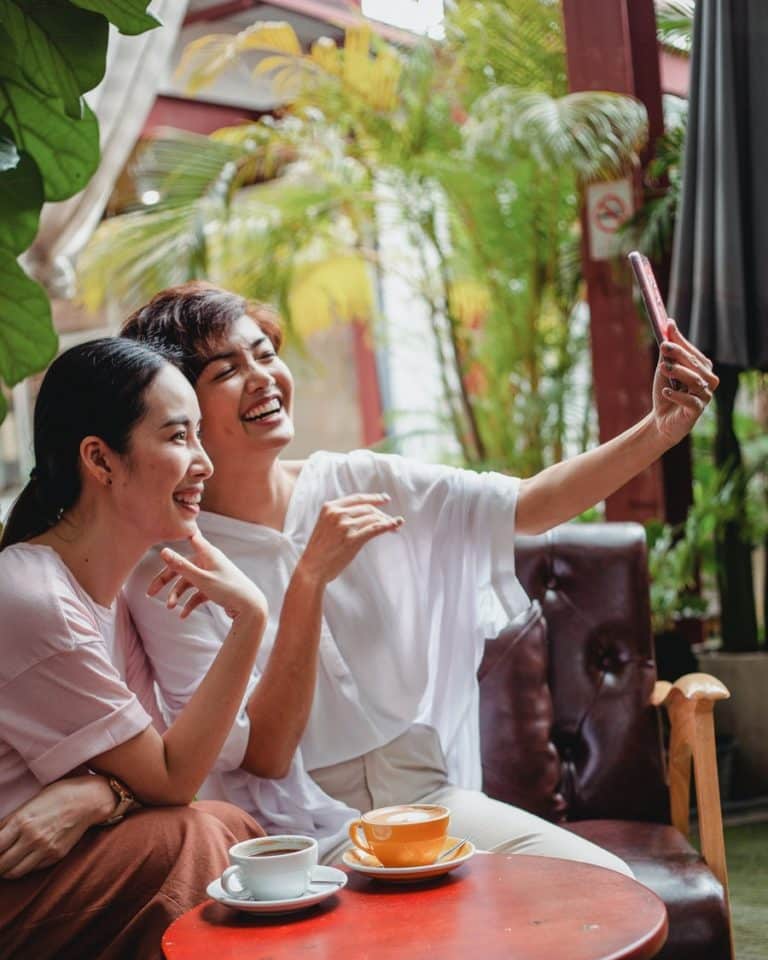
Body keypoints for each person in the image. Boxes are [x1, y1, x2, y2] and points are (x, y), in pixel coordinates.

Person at [114, 281, 717, 875]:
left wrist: (659, 428)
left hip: (427, 801)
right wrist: (310, 579)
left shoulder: (357, 480)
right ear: (180, 411)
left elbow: (528, 505)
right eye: (226, 371)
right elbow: (263, 756)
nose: (263, 377)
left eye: (266, 354)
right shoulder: (168, 568)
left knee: (603, 888)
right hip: (294, 837)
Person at [0, 337, 271, 960]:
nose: (204, 463)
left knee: (225, 831)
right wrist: (249, 620)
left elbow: (163, 779)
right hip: (14, 894)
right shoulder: (32, 598)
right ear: (100, 459)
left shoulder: (116, 597)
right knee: (197, 840)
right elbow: (174, 780)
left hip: (58, 880)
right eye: (179, 437)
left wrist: (100, 794)